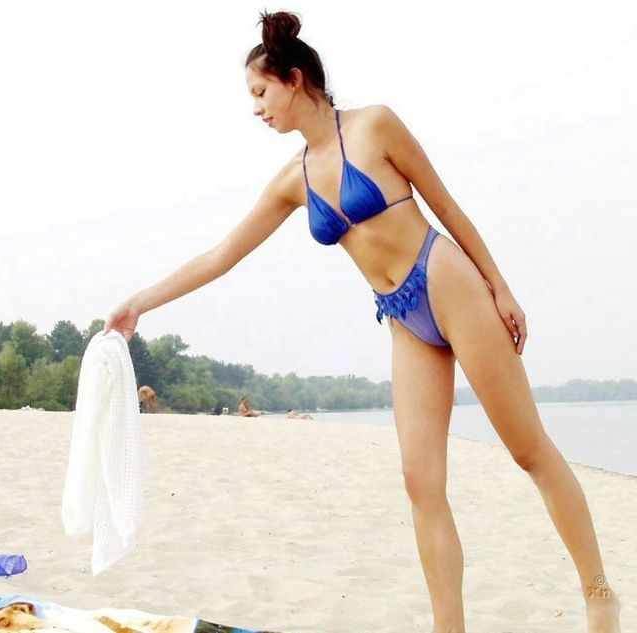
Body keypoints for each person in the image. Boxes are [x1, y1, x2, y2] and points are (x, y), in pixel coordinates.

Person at [101, 11, 620, 631]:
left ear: (295, 80)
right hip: (402, 316)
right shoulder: (291, 181)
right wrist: (139, 303)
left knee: (528, 450)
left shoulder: (375, 126)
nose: (256, 109)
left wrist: (500, 288)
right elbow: (222, 255)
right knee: (419, 480)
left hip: (447, 280)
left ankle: (598, 594)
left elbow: (446, 205)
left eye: (260, 93)